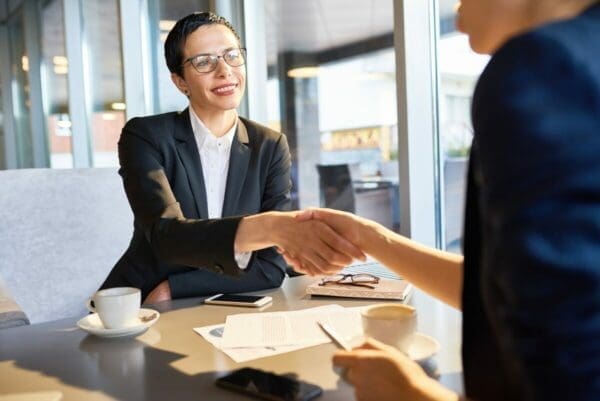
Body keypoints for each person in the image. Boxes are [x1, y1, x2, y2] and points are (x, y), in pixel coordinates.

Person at [287, 1, 600, 400]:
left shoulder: (542, 70)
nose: (458, 11)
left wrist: (412, 393)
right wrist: (370, 237)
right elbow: (507, 287)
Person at [100, 12, 364, 304]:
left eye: (231, 55)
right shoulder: (145, 135)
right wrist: (271, 228)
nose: (224, 71)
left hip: (214, 303)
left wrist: (175, 288)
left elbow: (269, 268)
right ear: (179, 81)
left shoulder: (270, 145)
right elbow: (166, 236)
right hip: (137, 304)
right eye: (204, 62)